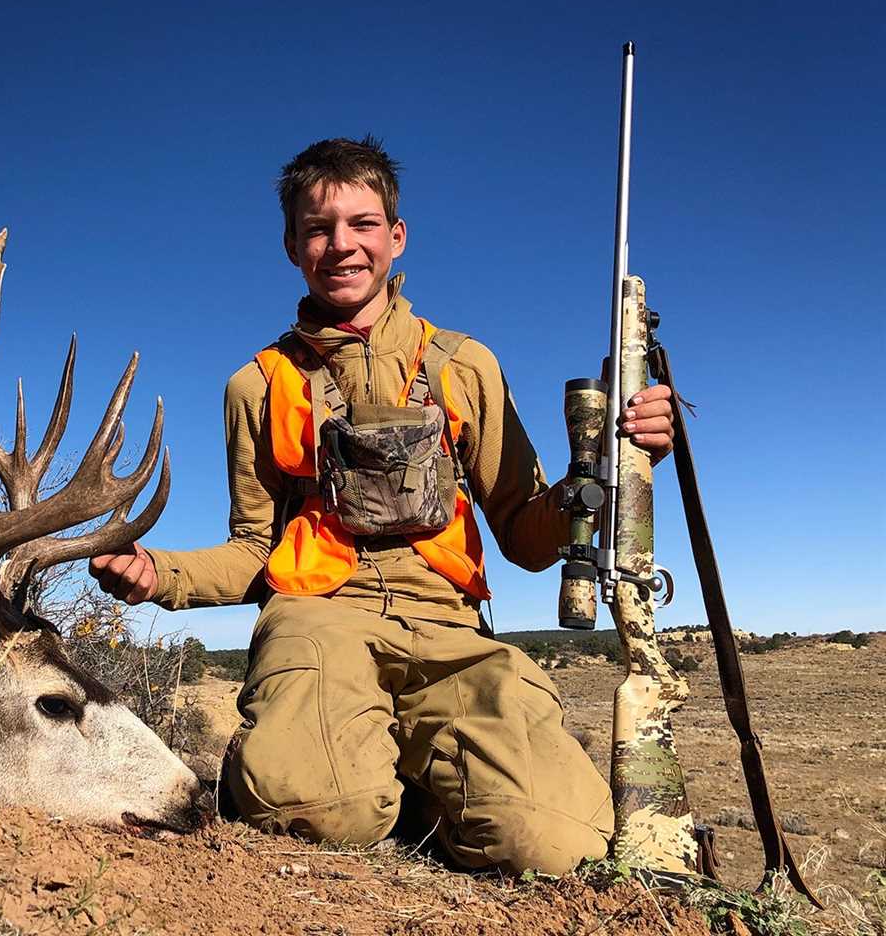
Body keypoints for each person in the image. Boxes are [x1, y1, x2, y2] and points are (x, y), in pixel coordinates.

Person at [89, 137, 675, 876]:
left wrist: (615, 469)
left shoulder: (465, 365)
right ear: (292, 246)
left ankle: (413, 779)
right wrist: (155, 571)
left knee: (557, 842)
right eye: (318, 229)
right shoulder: (257, 384)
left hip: (449, 629)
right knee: (318, 812)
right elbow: (251, 551)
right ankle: (296, 759)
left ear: (396, 237)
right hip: (317, 615)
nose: (342, 245)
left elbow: (526, 534)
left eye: (363, 224)